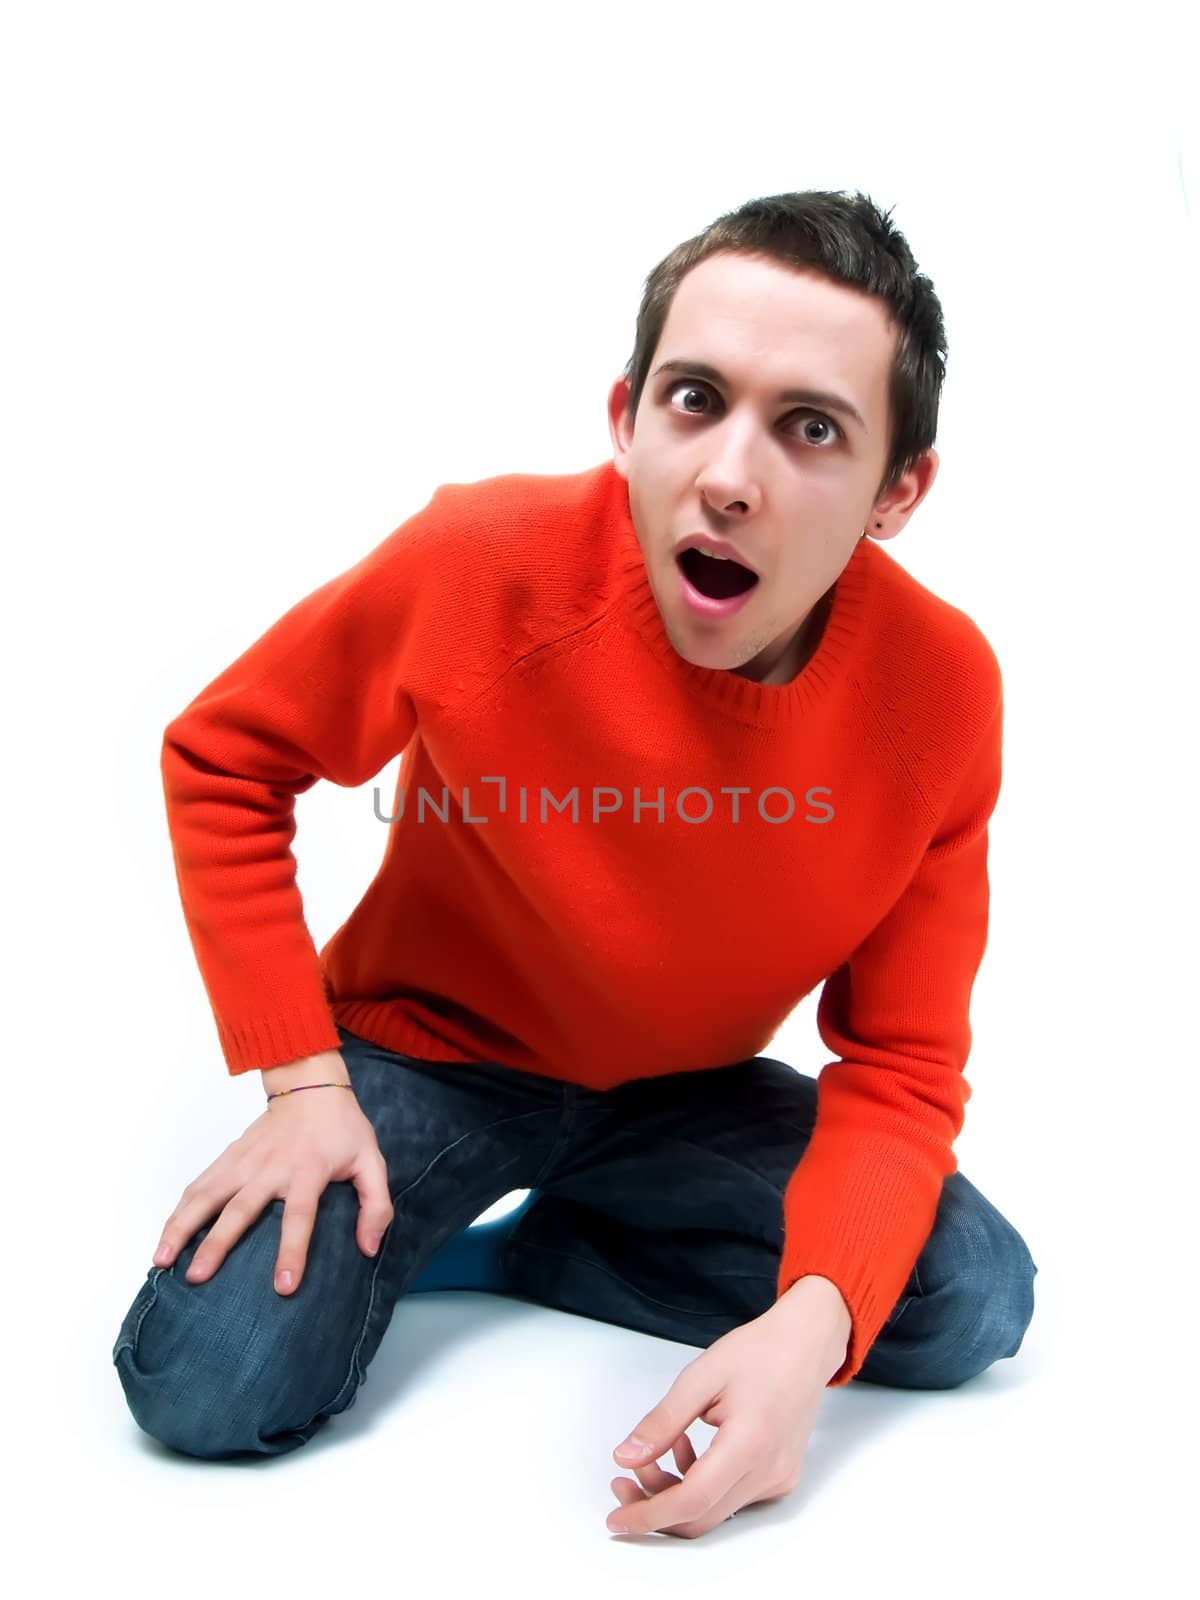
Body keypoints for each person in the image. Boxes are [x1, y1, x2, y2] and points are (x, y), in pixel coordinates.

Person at [112, 188, 1037, 1539]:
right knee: (207, 1384)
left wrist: (807, 1339)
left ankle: (543, 1246)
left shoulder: (941, 692)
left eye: (812, 429)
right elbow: (225, 760)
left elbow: (901, 1064)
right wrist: (303, 1081)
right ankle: (455, 1214)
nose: (730, 473)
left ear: (898, 491)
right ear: (624, 417)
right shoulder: (484, 561)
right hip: (430, 1062)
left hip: (687, 1094)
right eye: (694, 399)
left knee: (970, 1298)